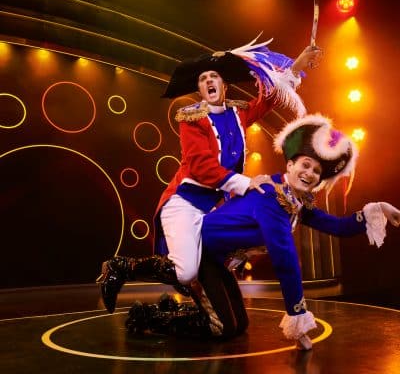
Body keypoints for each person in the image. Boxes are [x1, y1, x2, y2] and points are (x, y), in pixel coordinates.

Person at [125, 113, 400, 349]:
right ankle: (148, 317)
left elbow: (337, 226)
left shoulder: (295, 202)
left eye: (317, 171)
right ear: (290, 165)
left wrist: (378, 209)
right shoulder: (272, 198)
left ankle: (172, 308)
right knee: (222, 327)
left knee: (239, 325)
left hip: (218, 261)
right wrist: (298, 319)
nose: (310, 173)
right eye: (305, 165)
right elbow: (285, 260)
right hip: (201, 254)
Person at [98, 36, 322, 322]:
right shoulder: (191, 119)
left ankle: (198, 314)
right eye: (203, 79)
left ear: (224, 85)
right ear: (200, 89)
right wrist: (246, 183)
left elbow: (269, 98)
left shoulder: (238, 113)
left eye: (214, 76)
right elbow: (202, 167)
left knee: (211, 262)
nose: (209, 81)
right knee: (186, 272)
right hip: (183, 203)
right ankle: (121, 267)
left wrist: (298, 65)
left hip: (211, 209)